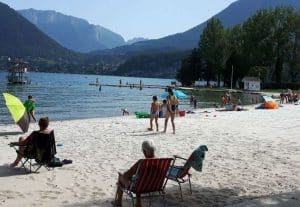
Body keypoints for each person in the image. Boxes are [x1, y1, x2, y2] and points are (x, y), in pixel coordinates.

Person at [114, 140, 156, 207]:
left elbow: (127, 174)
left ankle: (119, 203)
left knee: (121, 177)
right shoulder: (162, 162)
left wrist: (122, 175)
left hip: (140, 187)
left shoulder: (142, 163)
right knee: (139, 179)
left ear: (144, 151)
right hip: (155, 186)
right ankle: (138, 204)